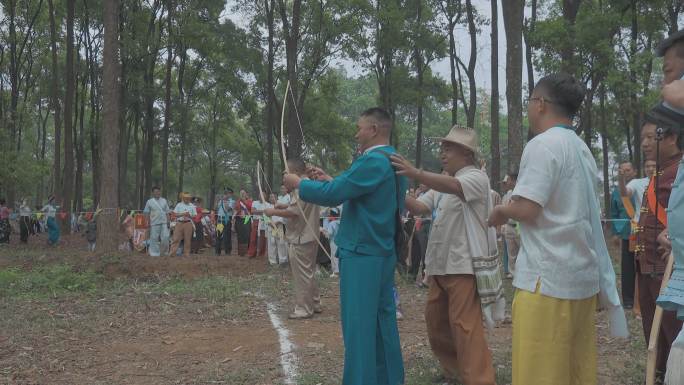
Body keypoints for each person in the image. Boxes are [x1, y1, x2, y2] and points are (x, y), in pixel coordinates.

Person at [487, 73, 627, 385]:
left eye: (529, 102)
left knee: (540, 375)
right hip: (580, 281)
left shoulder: (543, 145)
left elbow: (528, 208)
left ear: (540, 104)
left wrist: (500, 211)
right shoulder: (581, 149)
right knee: (574, 372)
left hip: (546, 283)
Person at [284, 108, 405, 385]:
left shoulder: (372, 160)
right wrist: (329, 180)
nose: (356, 133)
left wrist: (299, 183)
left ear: (374, 129)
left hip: (363, 253)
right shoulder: (393, 158)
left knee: (359, 327)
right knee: (380, 322)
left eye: (359, 128)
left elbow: (335, 194)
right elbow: (356, 192)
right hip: (381, 251)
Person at [391, 125, 498, 385]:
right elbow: (418, 206)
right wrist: (396, 185)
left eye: (448, 148)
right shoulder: (442, 184)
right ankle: (454, 373)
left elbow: (454, 186)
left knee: (465, 327)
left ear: (467, 153)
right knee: (436, 323)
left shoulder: (475, 178)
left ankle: (479, 380)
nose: (442, 153)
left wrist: (417, 173)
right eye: (442, 148)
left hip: (463, 266)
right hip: (440, 265)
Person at [633, 104, 684, 379]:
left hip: (670, 273)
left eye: (652, 137)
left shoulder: (680, 171)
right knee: (656, 342)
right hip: (650, 271)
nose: (645, 144)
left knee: (673, 338)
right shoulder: (661, 172)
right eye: (643, 138)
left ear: (673, 138)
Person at [266, 159, 322, 319]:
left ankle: (304, 308)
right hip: (308, 236)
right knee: (308, 272)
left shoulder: (301, 187)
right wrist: (283, 207)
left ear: (295, 173)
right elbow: (299, 208)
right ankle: (315, 303)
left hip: (302, 237)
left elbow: (295, 212)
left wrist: (273, 212)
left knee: (302, 275)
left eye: (286, 172)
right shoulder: (307, 185)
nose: (284, 176)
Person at [612, 161, 637, 309]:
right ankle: (628, 300)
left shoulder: (641, 186)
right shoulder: (616, 192)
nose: (625, 173)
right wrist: (616, 233)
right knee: (627, 268)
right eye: (622, 170)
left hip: (641, 232)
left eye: (628, 170)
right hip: (626, 233)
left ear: (634, 171)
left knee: (642, 267)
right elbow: (614, 213)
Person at [501, 171, 520, 277]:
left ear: (513, 180)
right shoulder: (508, 194)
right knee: (511, 252)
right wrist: (503, 226)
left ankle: (521, 272)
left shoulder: (521, 193)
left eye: (508, 180)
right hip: (509, 225)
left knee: (521, 250)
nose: (507, 182)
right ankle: (512, 273)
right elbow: (504, 209)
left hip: (518, 225)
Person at [143, 186, 170, 257]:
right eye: (155, 192)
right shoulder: (149, 202)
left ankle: (164, 252)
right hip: (154, 222)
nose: (157, 193)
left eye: (158, 191)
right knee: (154, 238)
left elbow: (167, 212)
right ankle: (154, 253)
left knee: (165, 237)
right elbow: (146, 212)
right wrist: (147, 222)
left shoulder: (164, 200)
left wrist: (168, 221)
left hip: (164, 222)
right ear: (153, 193)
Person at [169, 193, 196, 257]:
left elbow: (194, 215)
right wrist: (183, 214)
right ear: (183, 198)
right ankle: (172, 253)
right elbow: (175, 214)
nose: (187, 199)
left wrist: (189, 215)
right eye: (185, 198)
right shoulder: (179, 205)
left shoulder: (192, 206)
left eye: (188, 198)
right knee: (176, 238)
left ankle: (186, 254)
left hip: (188, 223)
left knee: (187, 239)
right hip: (179, 222)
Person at [215, 188, 235, 255]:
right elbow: (216, 208)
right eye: (226, 193)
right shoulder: (221, 201)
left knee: (227, 236)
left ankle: (227, 251)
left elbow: (227, 209)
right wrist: (217, 201)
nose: (227, 194)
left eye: (228, 193)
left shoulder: (232, 201)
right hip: (220, 220)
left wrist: (225, 201)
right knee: (218, 235)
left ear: (231, 194)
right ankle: (217, 251)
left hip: (227, 220)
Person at [322, 207, 340, 276]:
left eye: (329, 215)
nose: (328, 216)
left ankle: (336, 272)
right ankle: (338, 270)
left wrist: (322, 230)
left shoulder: (332, 223)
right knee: (338, 256)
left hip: (333, 242)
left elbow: (328, 234)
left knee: (334, 256)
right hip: (339, 241)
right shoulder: (339, 221)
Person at [234, 189, 252, 256]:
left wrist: (245, 202)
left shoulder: (249, 201)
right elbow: (236, 209)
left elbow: (250, 208)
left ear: (246, 193)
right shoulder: (238, 202)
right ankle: (241, 252)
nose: (242, 194)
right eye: (241, 193)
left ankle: (247, 250)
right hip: (239, 219)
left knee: (247, 234)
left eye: (243, 193)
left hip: (247, 218)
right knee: (240, 235)